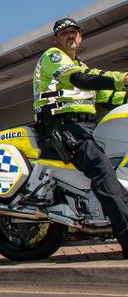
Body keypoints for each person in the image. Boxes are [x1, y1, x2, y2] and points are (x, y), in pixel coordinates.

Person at [33, 17, 128, 257]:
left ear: (81, 37)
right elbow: (80, 80)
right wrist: (122, 78)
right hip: (61, 127)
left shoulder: (82, 65)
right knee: (102, 170)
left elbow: (108, 96)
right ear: (56, 38)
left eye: (74, 32)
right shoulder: (53, 57)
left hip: (84, 127)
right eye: (65, 32)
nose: (70, 36)